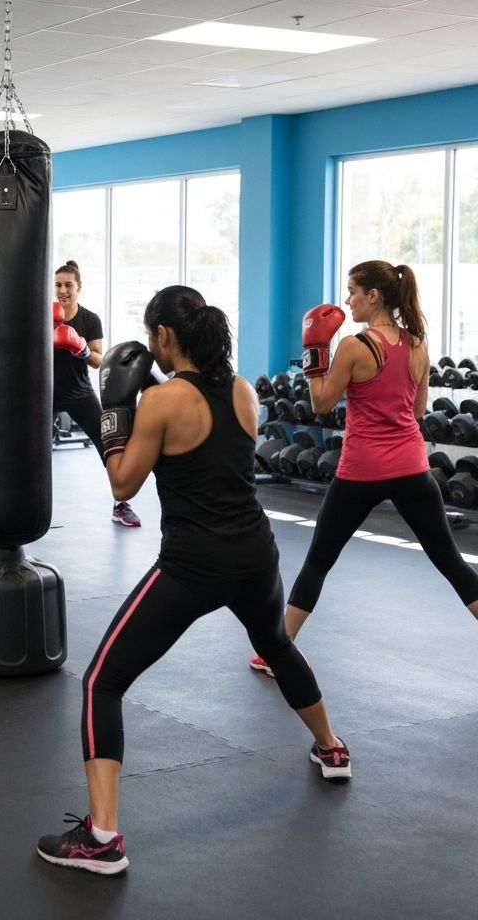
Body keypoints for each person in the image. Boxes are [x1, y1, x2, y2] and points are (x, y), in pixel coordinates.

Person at [37, 285, 349, 877]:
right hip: (257, 555)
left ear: (163, 337)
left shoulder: (162, 402)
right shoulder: (242, 390)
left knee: (102, 681)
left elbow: (123, 484)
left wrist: (112, 418)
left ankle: (102, 839)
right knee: (277, 645)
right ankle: (331, 748)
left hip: (194, 565)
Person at [248, 261, 478, 676]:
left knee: (319, 559)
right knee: (449, 559)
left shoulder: (356, 346)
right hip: (412, 466)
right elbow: (418, 410)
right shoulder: (418, 344)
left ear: (374, 295)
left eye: (353, 290)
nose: (348, 299)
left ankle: (273, 652)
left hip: (361, 469)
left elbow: (320, 402)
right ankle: (274, 649)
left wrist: (315, 352)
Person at [52, 260, 141, 527]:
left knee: (109, 444)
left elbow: (99, 360)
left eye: (68, 285)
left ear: (79, 287)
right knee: (28, 451)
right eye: (58, 285)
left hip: (79, 392)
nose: (63, 290)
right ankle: (22, 505)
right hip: (43, 393)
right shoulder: (40, 315)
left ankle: (121, 504)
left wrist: (81, 349)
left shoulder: (89, 319)